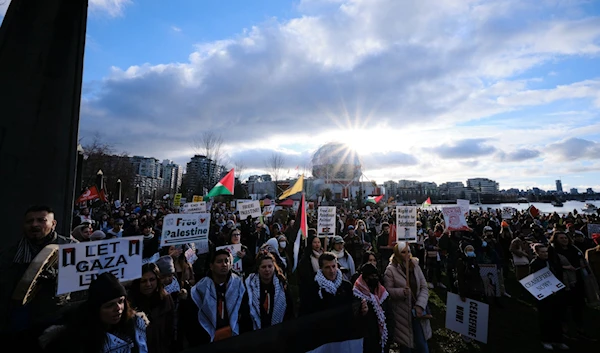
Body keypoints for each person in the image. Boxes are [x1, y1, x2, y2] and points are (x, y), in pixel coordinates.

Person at [0, 205, 76, 350]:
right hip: (17, 324)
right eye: (30, 221)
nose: (34, 225)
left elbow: (82, 288)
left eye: (41, 220)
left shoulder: (71, 248)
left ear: (53, 224)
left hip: (56, 322)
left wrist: (57, 279)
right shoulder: (10, 254)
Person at [39, 272, 149, 353]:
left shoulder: (134, 324)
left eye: (121, 301)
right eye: (109, 305)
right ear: (96, 309)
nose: (118, 308)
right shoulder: (76, 339)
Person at [186, 249, 246, 345]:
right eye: (219, 262)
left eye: (226, 261)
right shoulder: (200, 289)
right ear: (211, 266)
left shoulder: (239, 285)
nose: (224, 264)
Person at [384, 242, 431, 353]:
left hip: (417, 311)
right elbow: (387, 291)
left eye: (409, 251)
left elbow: (424, 287)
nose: (407, 254)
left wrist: (420, 305)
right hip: (402, 313)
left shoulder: (415, 266)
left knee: (422, 344)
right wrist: (401, 292)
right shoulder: (390, 270)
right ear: (397, 254)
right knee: (406, 345)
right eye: (403, 252)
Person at [128, 263, 175, 353]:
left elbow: (170, 327)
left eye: (152, 280)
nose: (148, 284)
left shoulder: (166, 299)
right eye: (143, 281)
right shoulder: (130, 303)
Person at [530, 244, 568, 350]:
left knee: (557, 317)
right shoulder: (535, 264)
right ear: (537, 252)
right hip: (544, 296)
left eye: (546, 252)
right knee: (546, 318)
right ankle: (546, 340)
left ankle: (558, 340)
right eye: (542, 252)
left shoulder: (550, 262)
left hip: (556, 294)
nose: (545, 254)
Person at [242, 252, 294, 330]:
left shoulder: (282, 284)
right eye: (263, 267)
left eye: (270, 266)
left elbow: (290, 309)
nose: (267, 270)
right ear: (258, 268)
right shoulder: (249, 285)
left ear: (274, 267)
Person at [353, 263, 391, 353]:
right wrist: (362, 312)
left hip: (380, 339)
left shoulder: (383, 293)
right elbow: (354, 316)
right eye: (371, 276)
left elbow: (389, 315)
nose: (374, 278)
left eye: (375, 276)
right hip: (366, 340)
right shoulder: (357, 294)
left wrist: (389, 336)